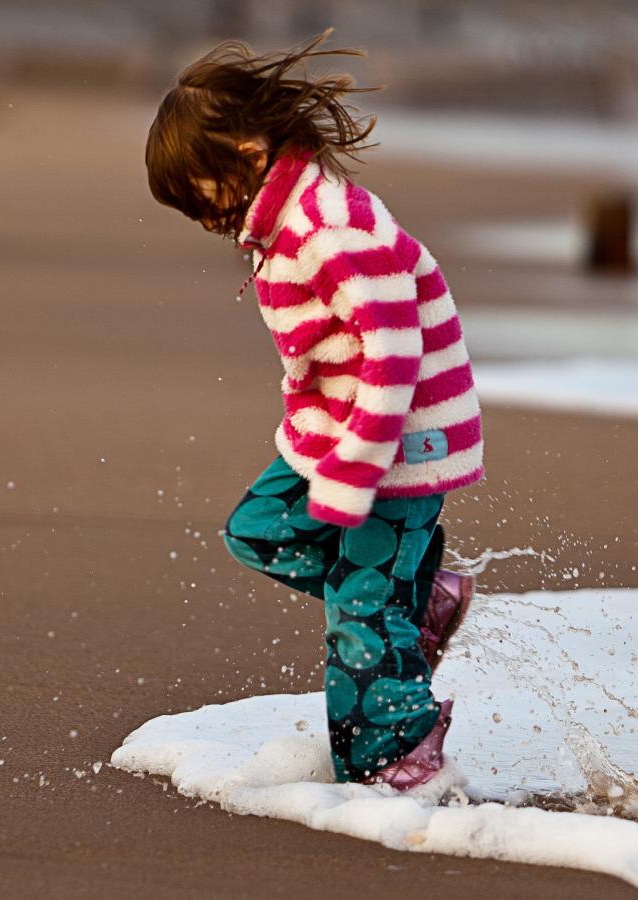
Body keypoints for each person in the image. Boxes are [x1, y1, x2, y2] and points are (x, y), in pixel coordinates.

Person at [144, 33, 483, 796]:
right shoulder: (282, 221)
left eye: (199, 193)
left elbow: (393, 349)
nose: (200, 215)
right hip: (336, 435)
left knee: (361, 612)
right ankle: (420, 597)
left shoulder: (330, 229)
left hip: (399, 445)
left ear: (248, 152)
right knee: (260, 529)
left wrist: (357, 469)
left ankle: (400, 757)